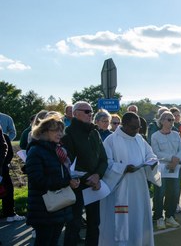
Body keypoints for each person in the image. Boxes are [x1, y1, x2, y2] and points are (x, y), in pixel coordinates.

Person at [99, 112, 157, 246]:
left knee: (138, 218)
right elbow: (105, 163)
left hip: (139, 187)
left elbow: (151, 154)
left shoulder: (139, 139)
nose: (137, 130)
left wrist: (152, 161)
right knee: (121, 221)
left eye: (138, 127)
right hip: (120, 189)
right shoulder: (111, 140)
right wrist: (123, 168)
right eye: (133, 127)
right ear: (123, 125)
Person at [25, 114, 79, 246]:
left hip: (59, 206)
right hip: (43, 207)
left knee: (54, 241)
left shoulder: (58, 150)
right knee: (44, 241)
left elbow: (61, 173)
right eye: (55, 130)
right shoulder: (36, 151)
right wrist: (66, 182)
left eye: (61, 130)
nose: (60, 133)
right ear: (43, 132)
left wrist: (72, 179)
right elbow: (37, 180)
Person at [62, 101, 108, 246]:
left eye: (91, 112)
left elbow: (103, 159)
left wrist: (98, 176)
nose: (90, 115)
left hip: (94, 184)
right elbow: (68, 162)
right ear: (75, 113)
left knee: (94, 223)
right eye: (87, 112)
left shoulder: (94, 132)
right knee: (74, 223)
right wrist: (89, 177)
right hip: (77, 185)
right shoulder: (67, 134)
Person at [151, 111, 181, 230]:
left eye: (173, 120)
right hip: (161, 169)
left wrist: (176, 160)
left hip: (175, 168)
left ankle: (170, 216)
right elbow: (156, 152)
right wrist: (171, 158)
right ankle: (159, 218)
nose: (172, 122)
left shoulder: (176, 135)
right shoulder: (155, 136)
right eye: (169, 120)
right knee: (160, 193)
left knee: (174, 193)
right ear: (162, 121)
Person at [1, 126, 25, 223]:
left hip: (3, 169)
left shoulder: (4, 137)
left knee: (7, 192)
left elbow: (9, 153)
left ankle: (10, 213)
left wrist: (3, 164)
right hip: (2, 168)